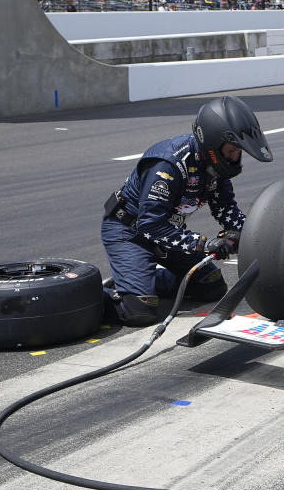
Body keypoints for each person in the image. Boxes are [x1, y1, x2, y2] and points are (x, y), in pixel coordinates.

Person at [100, 95, 273, 326]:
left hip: (166, 234)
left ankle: (138, 279)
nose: (235, 157)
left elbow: (226, 209)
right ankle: (100, 293)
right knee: (140, 311)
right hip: (129, 232)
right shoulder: (169, 165)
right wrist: (205, 244)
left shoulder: (216, 167)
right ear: (212, 143)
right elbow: (150, 225)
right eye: (232, 150)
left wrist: (247, 233)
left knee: (211, 285)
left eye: (238, 151)